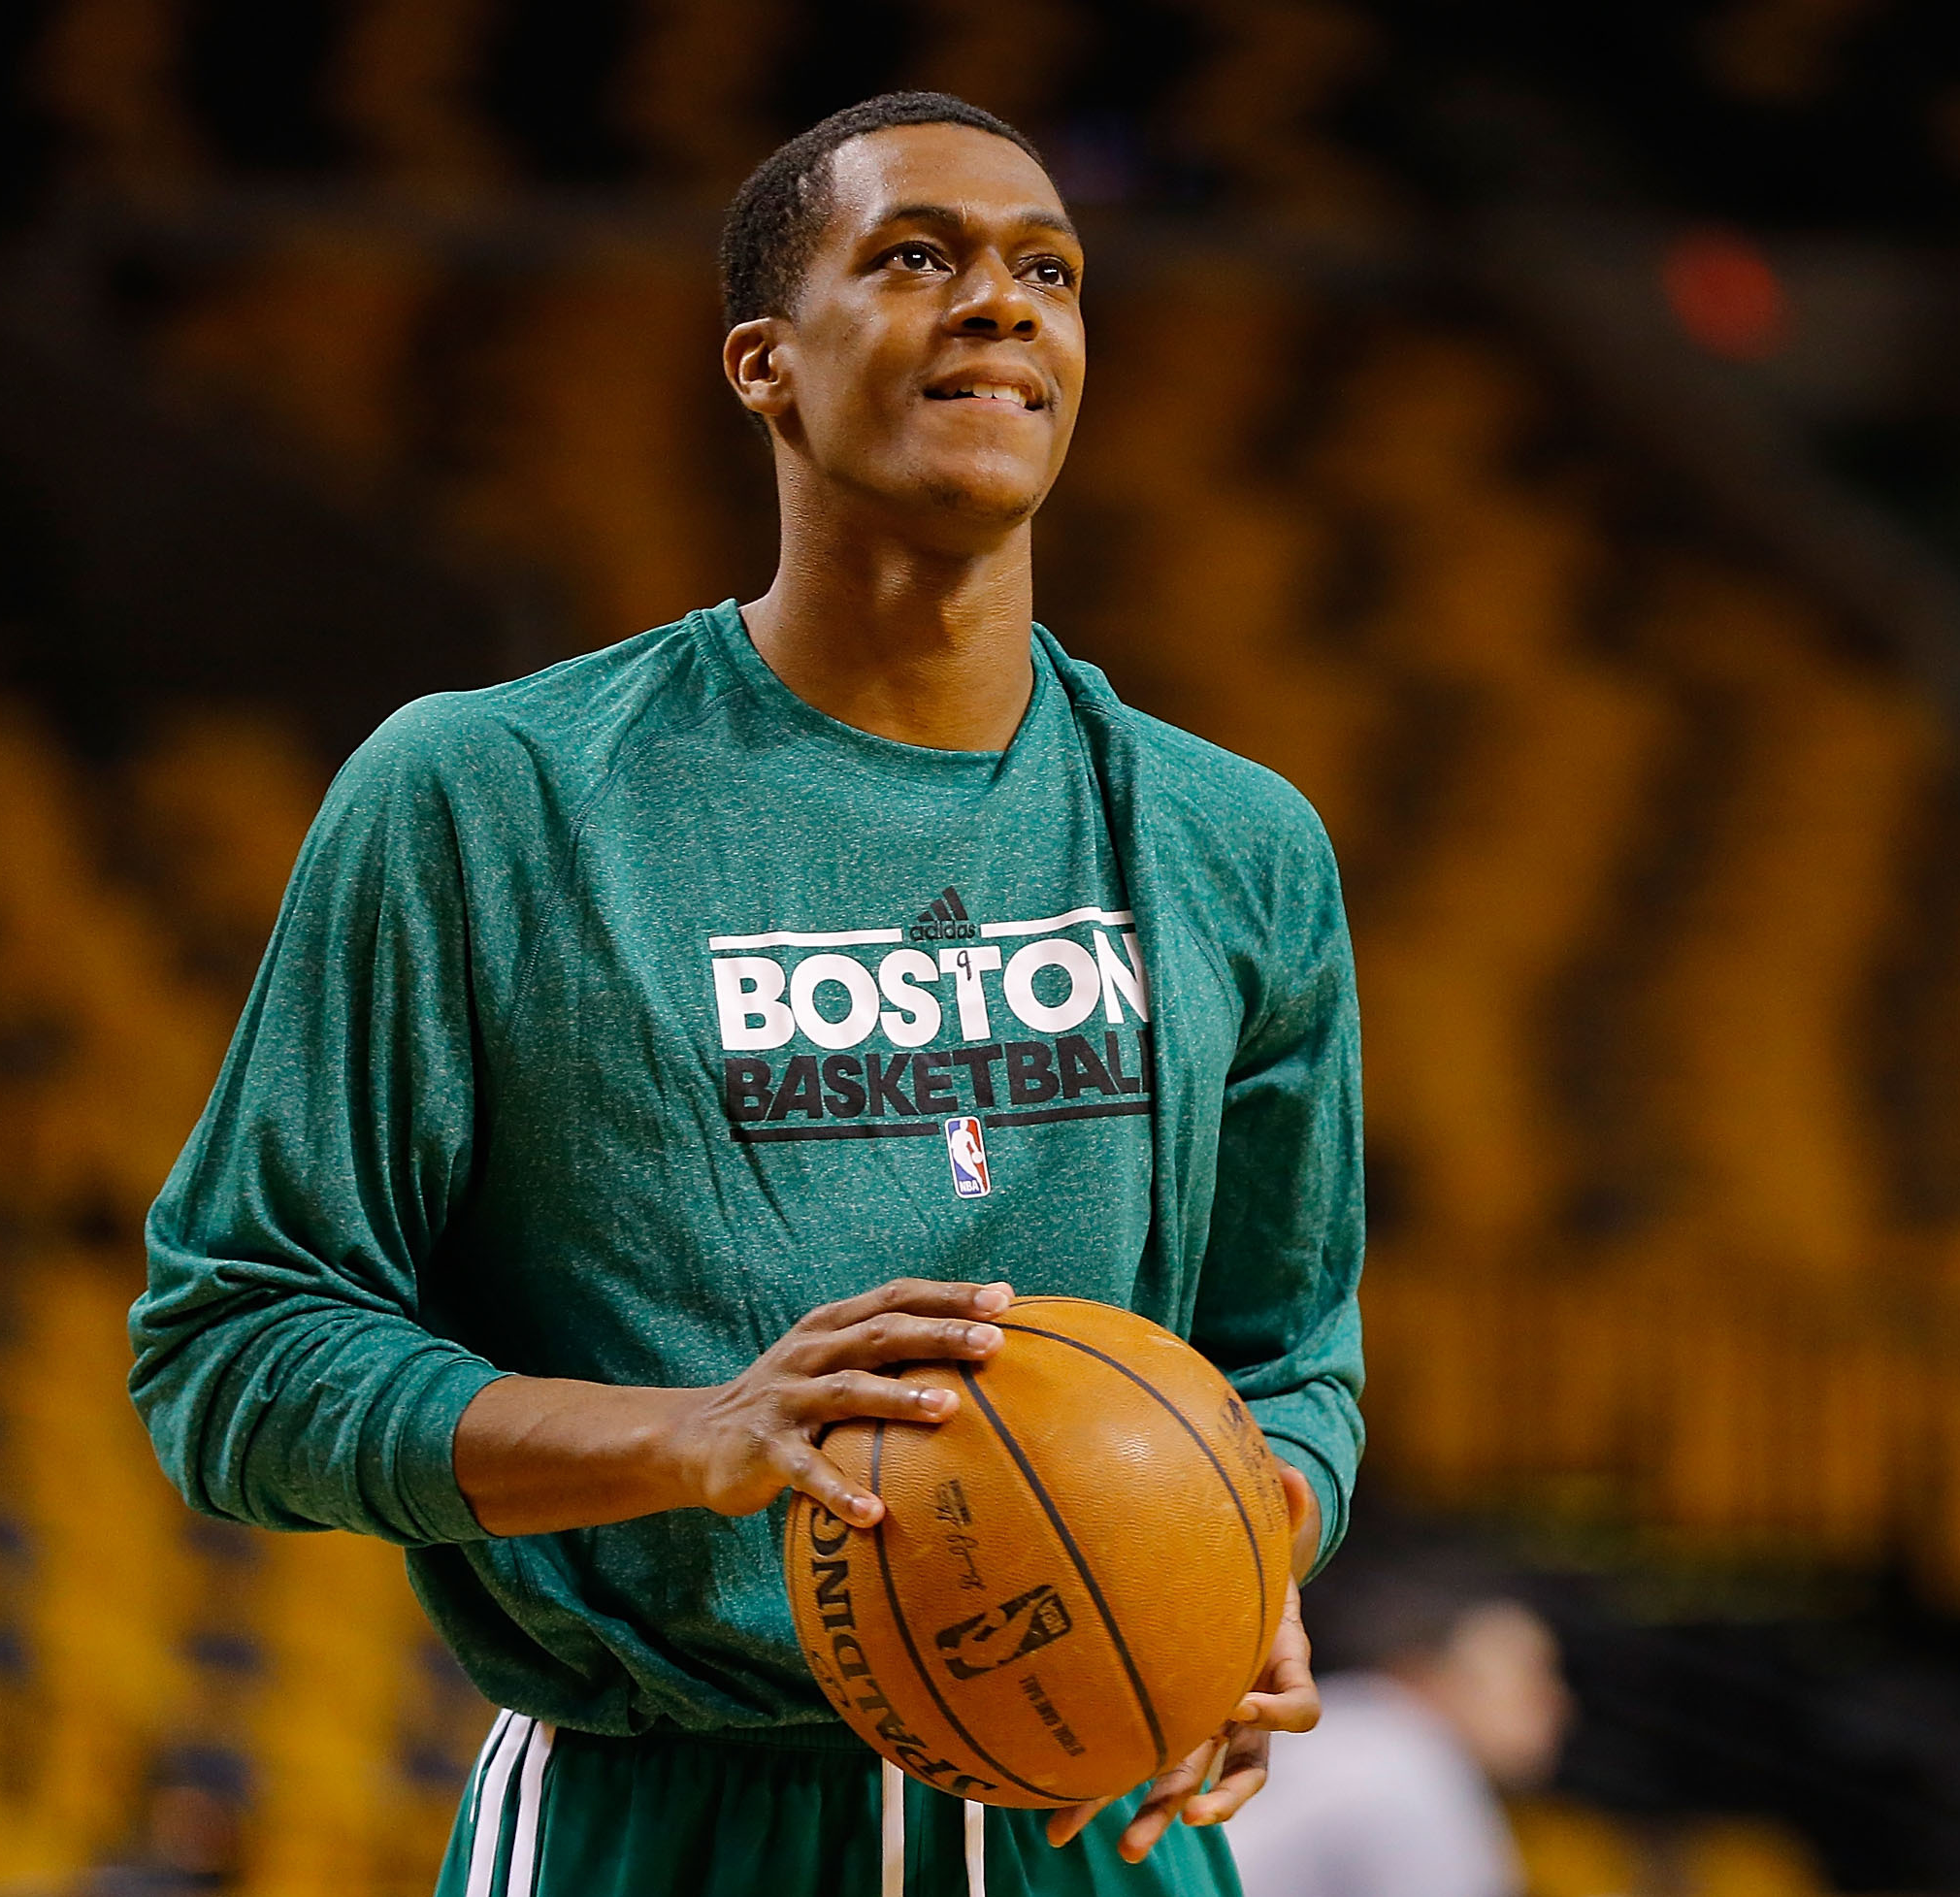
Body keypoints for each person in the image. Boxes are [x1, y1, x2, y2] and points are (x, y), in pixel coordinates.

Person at [127, 90, 1365, 1897]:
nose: (1002, 305)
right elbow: (230, 1356)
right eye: (918, 257)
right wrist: (689, 1442)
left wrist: (1224, 1552)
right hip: (654, 1816)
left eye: (1049, 272)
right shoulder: (491, 794)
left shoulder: (1230, 841)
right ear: (761, 363)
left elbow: (1291, 1368)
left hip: (1089, 1816)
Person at [1226, 1554, 1569, 1897]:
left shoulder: (1345, 1721)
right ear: (1426, 1673)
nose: (1556, 1702)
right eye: (1529, 1675)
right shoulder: (1414, 1766)